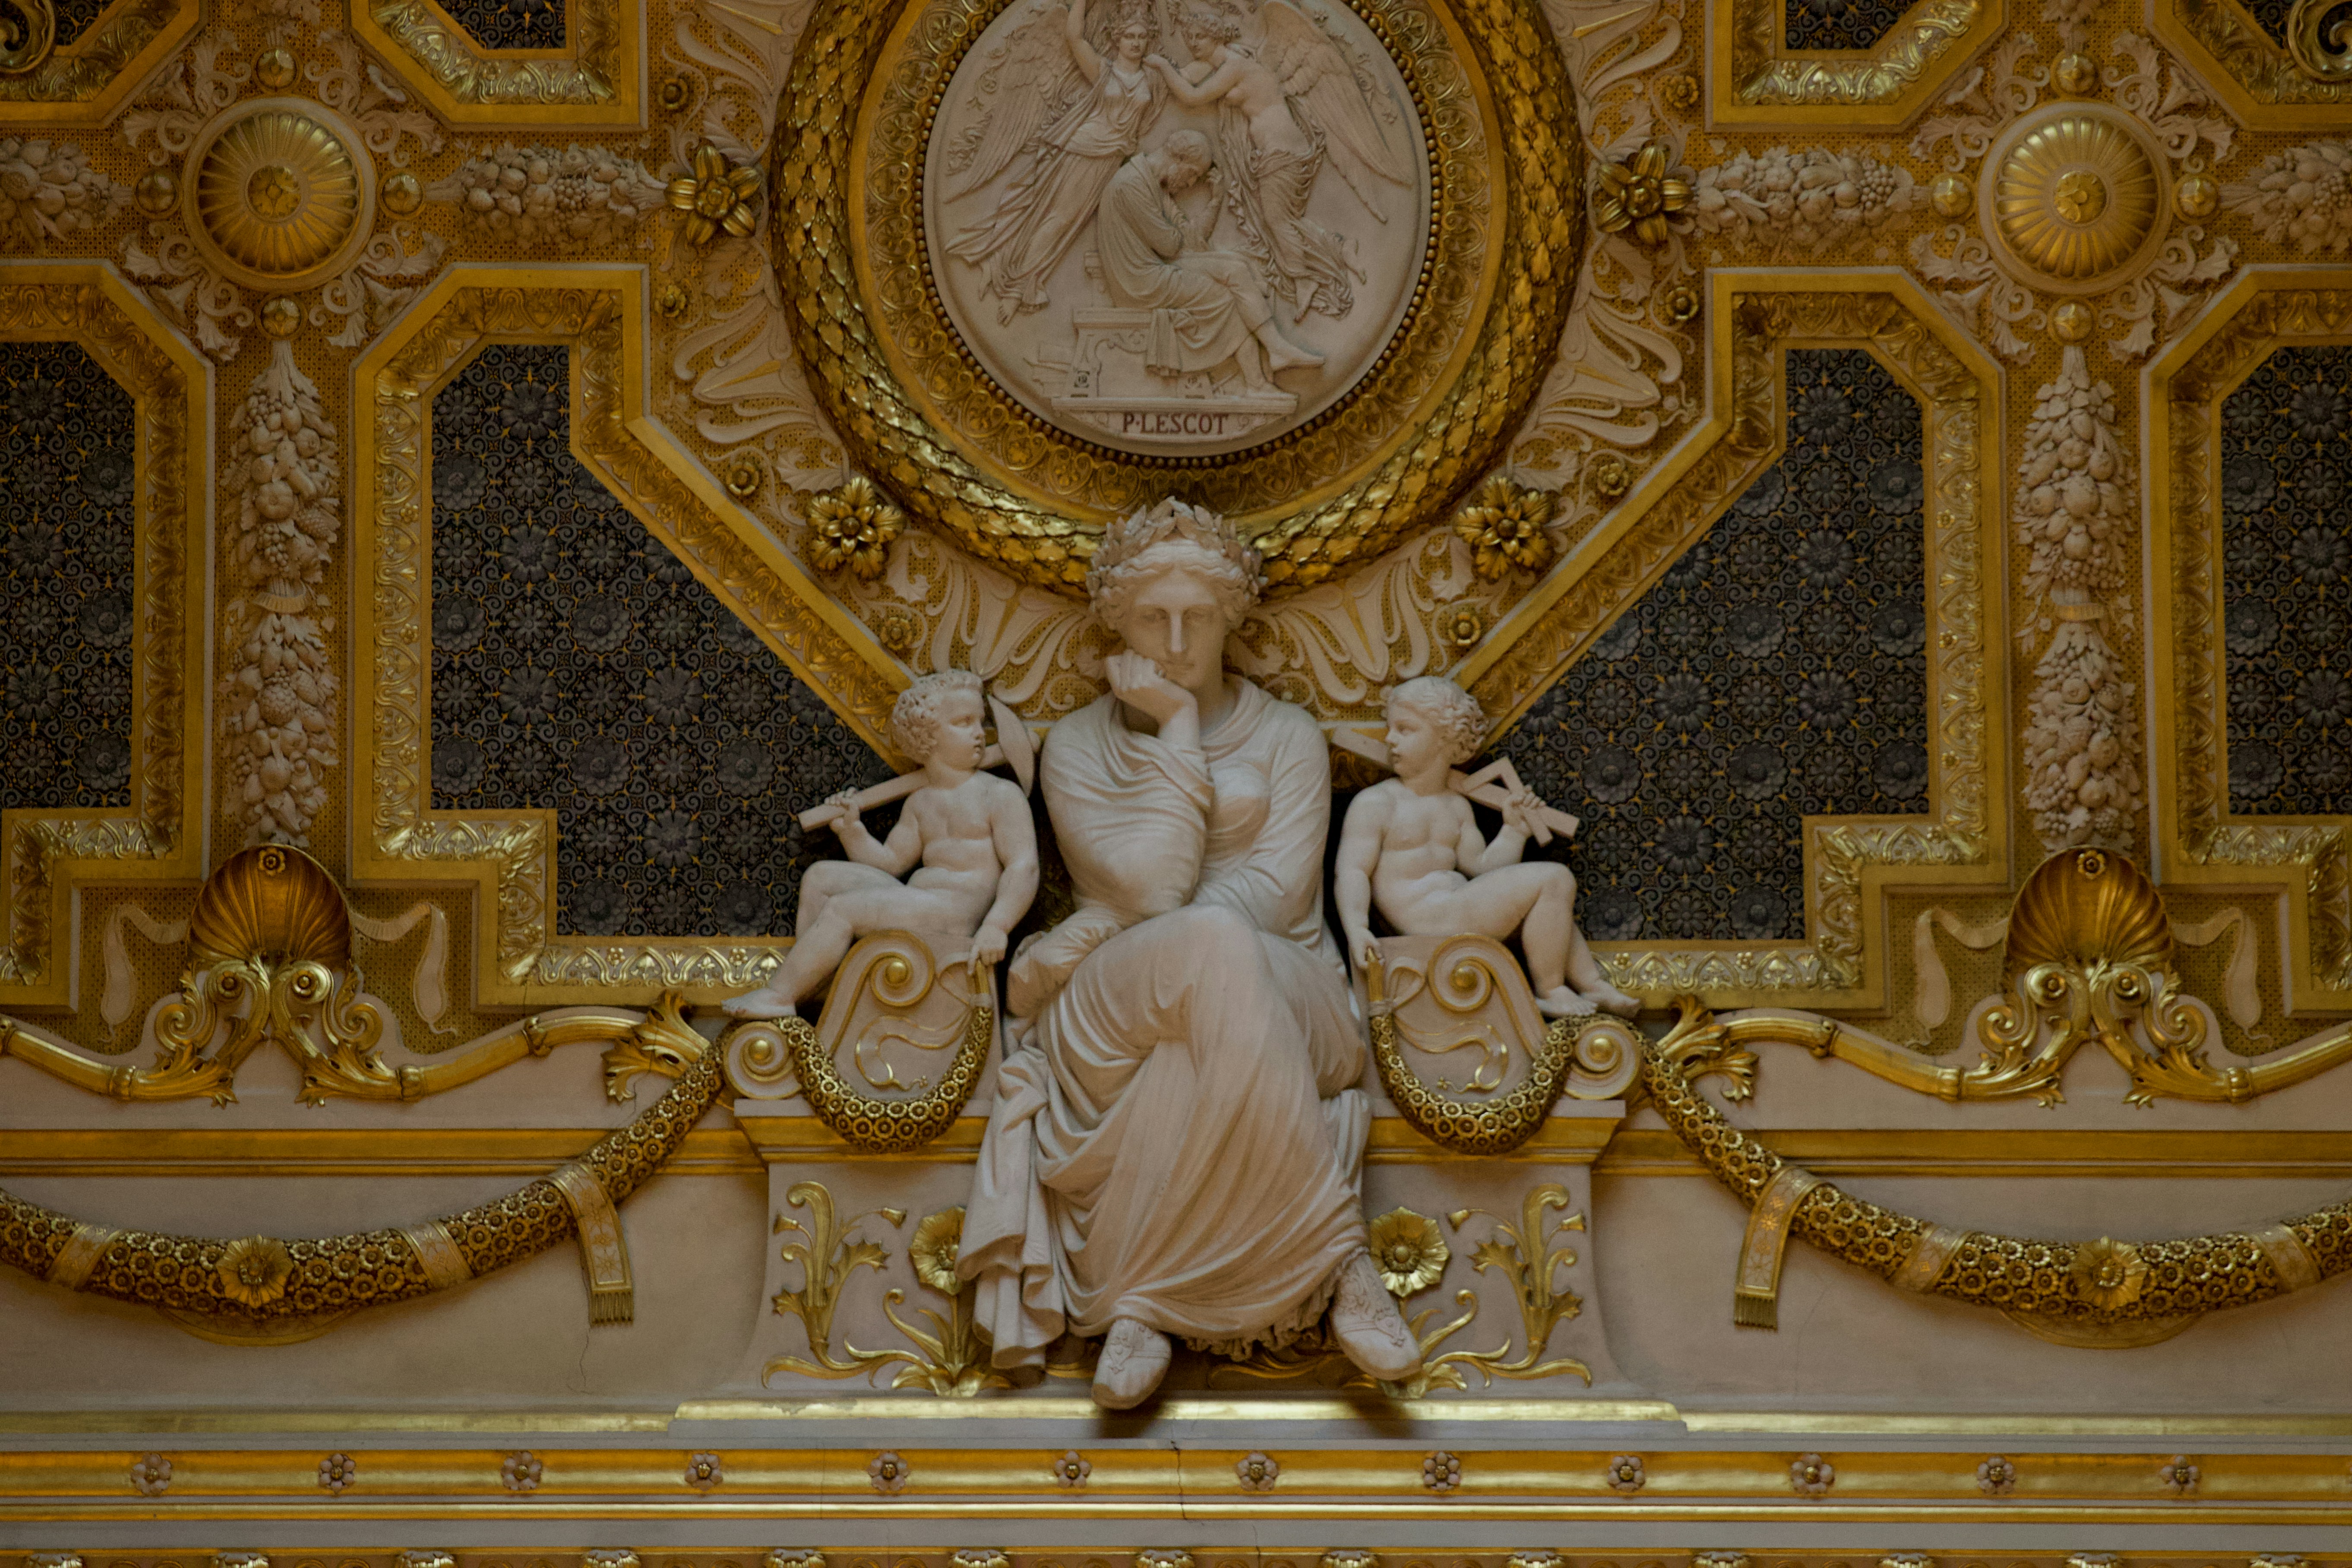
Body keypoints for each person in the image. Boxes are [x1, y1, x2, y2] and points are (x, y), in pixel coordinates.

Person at [957, 497, 1421, 1410]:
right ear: (1116, 627)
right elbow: (1153, 891)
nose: (1176, 641)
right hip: (1116, 991)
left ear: (1231, 620)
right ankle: (1341, 1259)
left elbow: (1275, 894)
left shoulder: (1287, 736)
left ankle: (1144, 1299)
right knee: (1202, 950)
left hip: (1290, 986)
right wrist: (1175, 727)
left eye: (1197, 617)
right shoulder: (1076, 747)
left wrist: (1184, 933)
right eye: (1152, 619)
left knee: (1211, 978)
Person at [722, 671, 1038, 1020]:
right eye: (964, 722)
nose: (979, 733)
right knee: (821, 877)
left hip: (956, 913)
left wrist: (997, 926)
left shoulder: (998, 794)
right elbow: (890, 863)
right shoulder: (920, 802)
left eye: (980, 721)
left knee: (844, 909)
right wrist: (852, 830)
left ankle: (780, 995)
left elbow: (1023, 866)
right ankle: (816, 983)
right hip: (920, 900)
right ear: (928, 735)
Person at [1334, 676, 1641, 1019]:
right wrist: (1357, 928)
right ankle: (1551, 989)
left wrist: (1513, 832)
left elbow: (1483, 868)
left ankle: (1590, 982)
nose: (1390, 739)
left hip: (1457, 908)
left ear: (1445, 738)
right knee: (1554, 879)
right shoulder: (1377, 802)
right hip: (1428, 919)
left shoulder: (1456, 806)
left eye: (1405, 729)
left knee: (1550, 900)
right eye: (1390, 729)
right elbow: (1352, 870)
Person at [945, 0, 1167, 324]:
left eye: (1142, 37)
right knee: (1059, 220)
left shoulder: (1152, 78)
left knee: (1070, 225)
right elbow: (1074, 38)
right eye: (1130, 36)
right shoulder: (1102, 71)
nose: (1136, 43)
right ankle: (1016, 288)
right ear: (1117, 38)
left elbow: (1192, 86)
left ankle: (1023, 281)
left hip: (1110, 162)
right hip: (1082, 153)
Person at [1092, 132, 1323, 392]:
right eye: (1192, 174)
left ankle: (1275, 352)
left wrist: (1215, 201)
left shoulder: (1152, 184)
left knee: (1238, 265)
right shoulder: (1132, 185)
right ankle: (1258, 381)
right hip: (1140, 283)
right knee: (1228, 296)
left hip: (1157, 269)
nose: (1191, 183)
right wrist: (1178, 236)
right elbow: (1169, 245)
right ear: (1179, 159)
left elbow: (1190, 240)